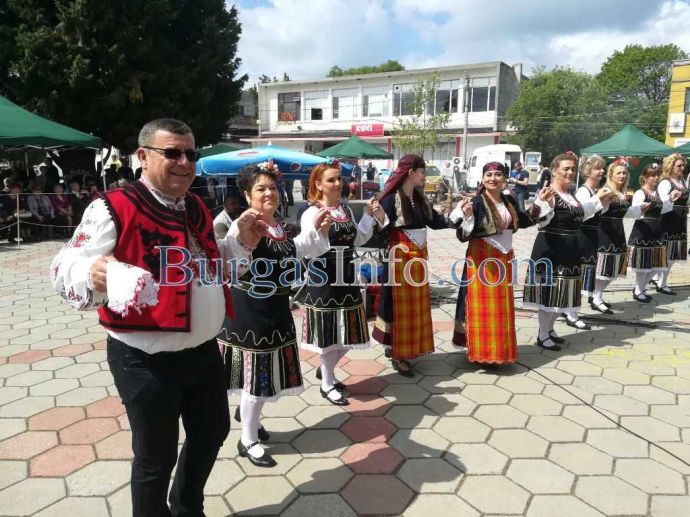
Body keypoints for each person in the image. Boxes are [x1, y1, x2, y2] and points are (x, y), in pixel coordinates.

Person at [50, 118, 264, 517]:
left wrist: (239, 244)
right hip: (145, 361)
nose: (184, 162)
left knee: (212, 433)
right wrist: (93, 273)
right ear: (143, 157)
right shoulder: (112, 206)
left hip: (203, 352)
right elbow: (65, 265)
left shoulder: (195, 205)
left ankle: (186, 506)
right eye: (172, 153)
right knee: (155, 458)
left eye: (191, 154)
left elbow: (206, 265)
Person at [218, 162, 331, 468]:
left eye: (272, 187)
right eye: (261, 189)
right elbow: (234, 266)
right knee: (256, 377)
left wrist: (317, 232)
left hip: (276, 307)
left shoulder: (278, 222)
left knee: (264, 376)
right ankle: (248, 439)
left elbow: (295, 250)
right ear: (247, 195)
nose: (269, 193)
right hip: (251, 312)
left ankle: (250, 419)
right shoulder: (242, 225)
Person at [300, 160, 387, 405]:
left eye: (339, 178)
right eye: (331, 180)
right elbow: (306, 250)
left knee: (350, 334)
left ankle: (325, 371)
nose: (338, 183)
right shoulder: (311, 213)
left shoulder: (345, 210)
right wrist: (320, 232)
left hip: (347, 277)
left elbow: (357, 239)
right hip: (325, 279)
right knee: (329, 338)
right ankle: (327, 384)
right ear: (318, 184)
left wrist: (368, 216)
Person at [449, 162, 552, 364]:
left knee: (501, 307)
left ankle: (498, 351)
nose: (493, 179)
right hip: (481, 262)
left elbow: (525, 220)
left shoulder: (509, 201)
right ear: (482, 178)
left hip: (504, 260)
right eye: (488, 174)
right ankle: (481, 352)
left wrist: (540, 201)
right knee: (482, 307)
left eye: (498, 174)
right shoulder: (477, 202)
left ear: (505, 179)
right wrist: (468, 216)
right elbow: (462, 236)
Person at [523, 152, 615, 350]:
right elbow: (539, 220)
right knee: (549, 294)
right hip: (551, 249)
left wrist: (601, 201)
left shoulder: (570, 194)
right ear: (554, 171)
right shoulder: (550, 194)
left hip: (570, 249)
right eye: (565, 169)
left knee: (563, 293)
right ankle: (542, 334)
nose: (570, 172)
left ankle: (549, 330)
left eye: (573, 169)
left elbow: (582, 213)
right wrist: (542, 203)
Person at [371, 154, 449, 376]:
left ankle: (407, 346)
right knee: (399, 306)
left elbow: (435, 221)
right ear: (411, 172)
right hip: (399, 259)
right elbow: (380, 234)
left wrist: (459, 215)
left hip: (418, 259)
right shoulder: (390, 199)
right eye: (422, 172)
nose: (425, 176)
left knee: (415, 306)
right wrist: (381, 220)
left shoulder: (419, 198)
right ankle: (398, 354)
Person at [589, 159, 650, 314]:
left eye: (624, 173)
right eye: (618, 173)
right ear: (611, 175)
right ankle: (596, 298)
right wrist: (604, 203)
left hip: (618, 231)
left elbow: (625, 212)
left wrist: (640, 209)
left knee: (613, 269)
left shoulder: (622, 192)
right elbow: (597, 211)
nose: (622, 176)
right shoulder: (606, 190)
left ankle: (596, 295)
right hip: (605, 232)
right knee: (604, 269)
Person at [561, 155, 606, 330]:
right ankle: (571, 313)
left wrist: (604, 201)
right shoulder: (583, 191)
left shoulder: (594, 190)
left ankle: (570, 310)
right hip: (582, 236)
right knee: (578, 276)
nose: (601, 171)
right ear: (587, 172)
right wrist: (598, 198)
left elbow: (597, 212)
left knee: (584, 275)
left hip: (591, 236)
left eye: (602, 168)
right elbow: (581, 215)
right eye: (597, 168)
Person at [629, 163, 680, 302]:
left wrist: (670, 200)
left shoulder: (657, 193)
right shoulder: (640, 193)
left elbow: (662, 210)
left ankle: (640, 288)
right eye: (652, 175)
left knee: (658, 264)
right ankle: (638, 290)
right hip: (644, 231)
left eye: (657, 175)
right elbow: (634, 213)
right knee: (643, 265)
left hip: (657, 231)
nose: (656, 178)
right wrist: (641, 208)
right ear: (645, 177)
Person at [652, 152, 689, 295]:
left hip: (680, 220)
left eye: (683, 165)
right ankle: (660, 282)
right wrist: (671, 198)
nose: (682, 168)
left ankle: (659, 280)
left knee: (673, 255)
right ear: (671, 166)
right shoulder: (666, 182)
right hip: (668, 220)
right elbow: (661, 203)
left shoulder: (682, 181)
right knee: (666, 254)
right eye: (679, 165)